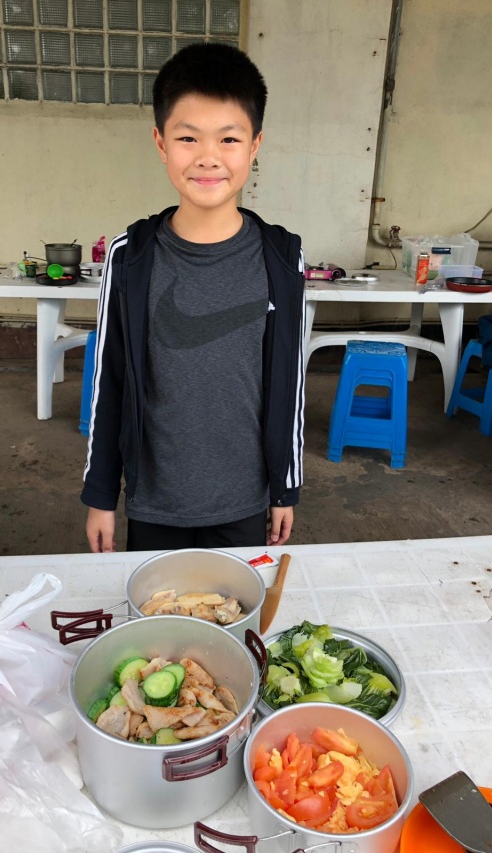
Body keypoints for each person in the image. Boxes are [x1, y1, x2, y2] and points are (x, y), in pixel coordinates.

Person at [81, 42, 306, 553]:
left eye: (229, 138)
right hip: (155, 499)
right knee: (159, 605)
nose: (208, 157)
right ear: (161, 143)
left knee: (232, 603)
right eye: (188, 138)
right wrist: (101, 495)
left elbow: (289, 380)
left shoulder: (281, 256)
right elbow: (108, 381)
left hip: (244, 499)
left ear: (255, 145)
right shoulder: (131, 256)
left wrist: (284, 487)